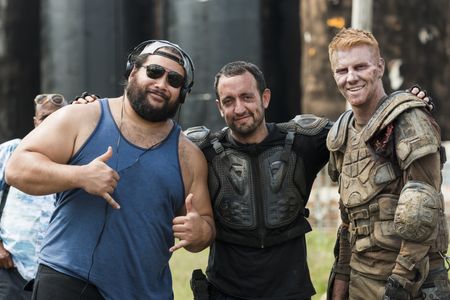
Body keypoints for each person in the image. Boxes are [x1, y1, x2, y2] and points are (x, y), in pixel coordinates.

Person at [4, 40, 215, 300]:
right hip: (68, 282)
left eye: (174, 80)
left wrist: (199, 232)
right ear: (132, 71)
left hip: (145, 292)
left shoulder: (190, 156)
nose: (162, 84)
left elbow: (205, 224)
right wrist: (79, 176)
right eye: (154, 72)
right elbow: (17, 168)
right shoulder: (81, 117)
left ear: (182, 94)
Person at [185, 60, 332, 299]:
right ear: (219, 108)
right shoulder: (201, 151)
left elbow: (361, 128)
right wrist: (99, 109)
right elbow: (151, 140)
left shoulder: (303, 141)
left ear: (265, 98)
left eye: (247, 97)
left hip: (290, 292)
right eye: (228, 101)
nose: (239, 108)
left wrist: (405, 102)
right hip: (225, 292)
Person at [326, 28, 450, 300]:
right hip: (361, 280)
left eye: (360, 66)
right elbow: (350, 221)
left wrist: (399, 286)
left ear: (379, 66)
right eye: (342, 70)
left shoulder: (409, 120)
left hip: (411, 283)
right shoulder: (341, 133)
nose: (351, 77)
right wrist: (340, 282)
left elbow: (422, 218)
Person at [0, 93, 68, 300]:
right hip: (10, 268)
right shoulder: (11, 151)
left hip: (57, 272)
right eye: (45, 118)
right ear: (35, 122)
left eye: (58, 117)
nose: (50, 123)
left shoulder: (76, 158)